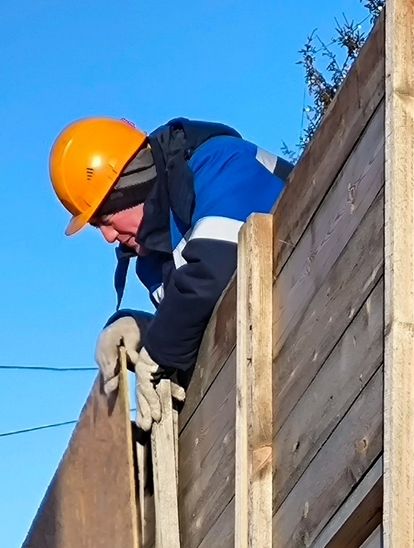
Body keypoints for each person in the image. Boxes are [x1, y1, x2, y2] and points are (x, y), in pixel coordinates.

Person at [48, 116, 291, 411]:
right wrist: (141, 330)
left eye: (106, 221)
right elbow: (203, 323)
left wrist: (160, 348)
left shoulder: (220, 164)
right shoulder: (154, 262)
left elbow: (213, 271)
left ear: (132, 189)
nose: (108, 237)